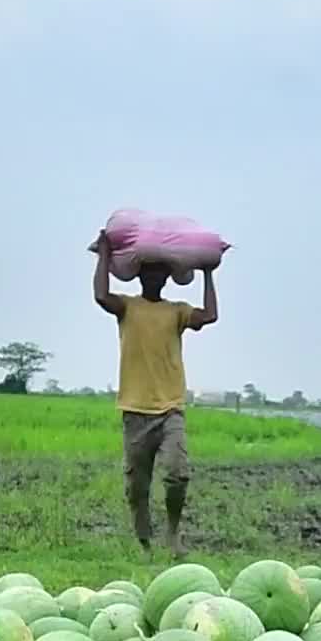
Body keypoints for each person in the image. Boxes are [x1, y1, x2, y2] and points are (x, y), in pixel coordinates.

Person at [93, 229, 218, 557]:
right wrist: (105, 254)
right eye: (147, 271)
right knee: (137, 485)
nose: (153, 277)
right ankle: (143, 540)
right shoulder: (127, 307)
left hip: (170, 409)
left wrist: (207, 274)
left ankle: (173, 534)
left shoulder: (177, 310)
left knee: (178, 473)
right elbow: (101, 296)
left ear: (165, 278)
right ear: (139, 275)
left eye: (158, 272)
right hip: (135, 411)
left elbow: (210, 316)